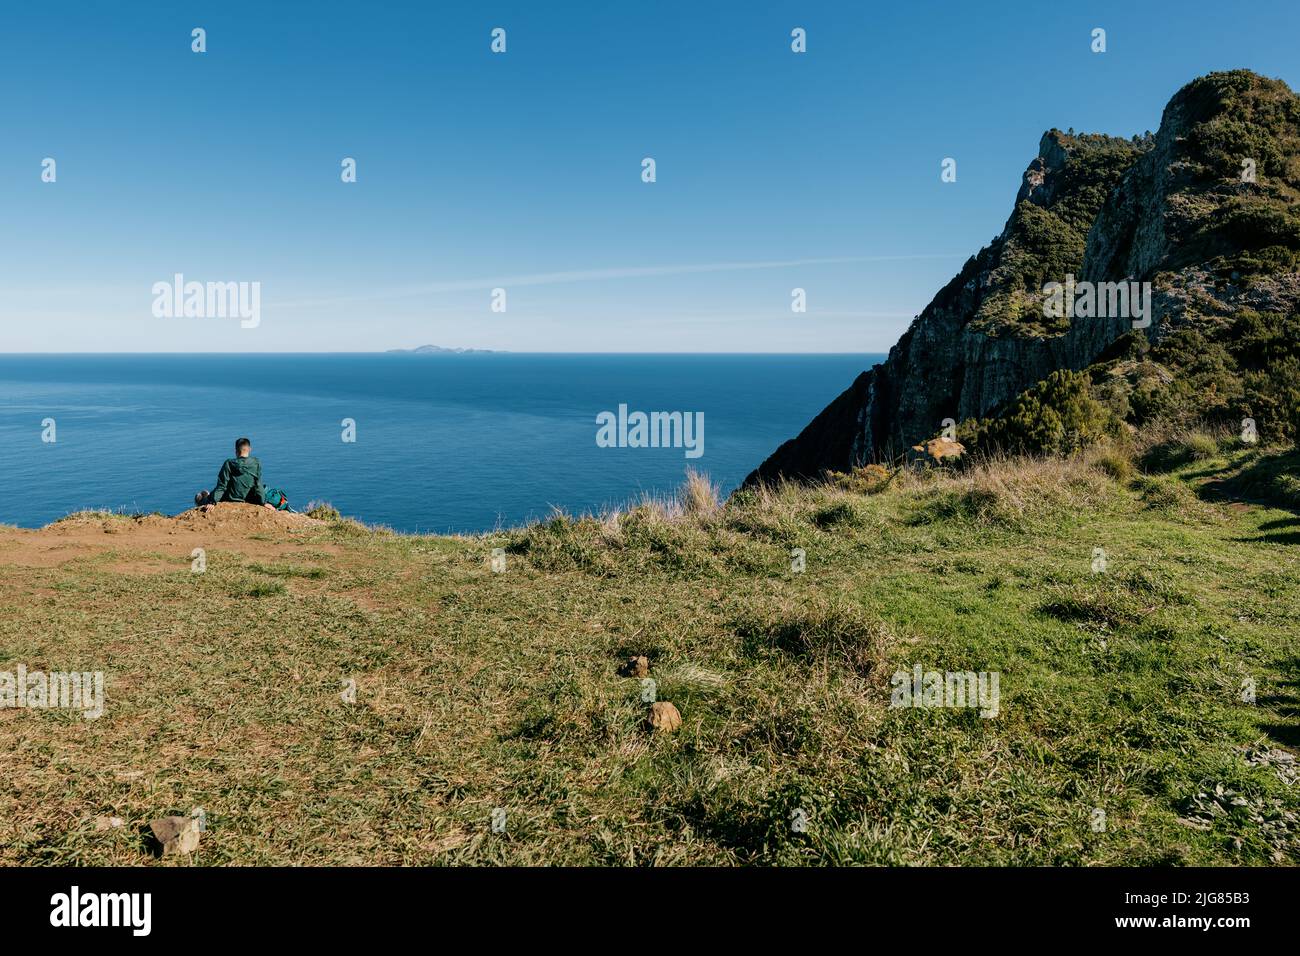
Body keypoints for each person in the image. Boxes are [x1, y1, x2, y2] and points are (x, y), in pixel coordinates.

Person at [195, 437, 276, 511]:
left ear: (236, 451)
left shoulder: (229, 463)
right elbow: (258, 485)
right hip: (249, 498)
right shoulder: (256, 463)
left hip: (231, 498)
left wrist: (212, 501)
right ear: (250, 449)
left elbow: (222, 486)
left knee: (204, 497)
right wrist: (263, 502)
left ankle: (203, 499)